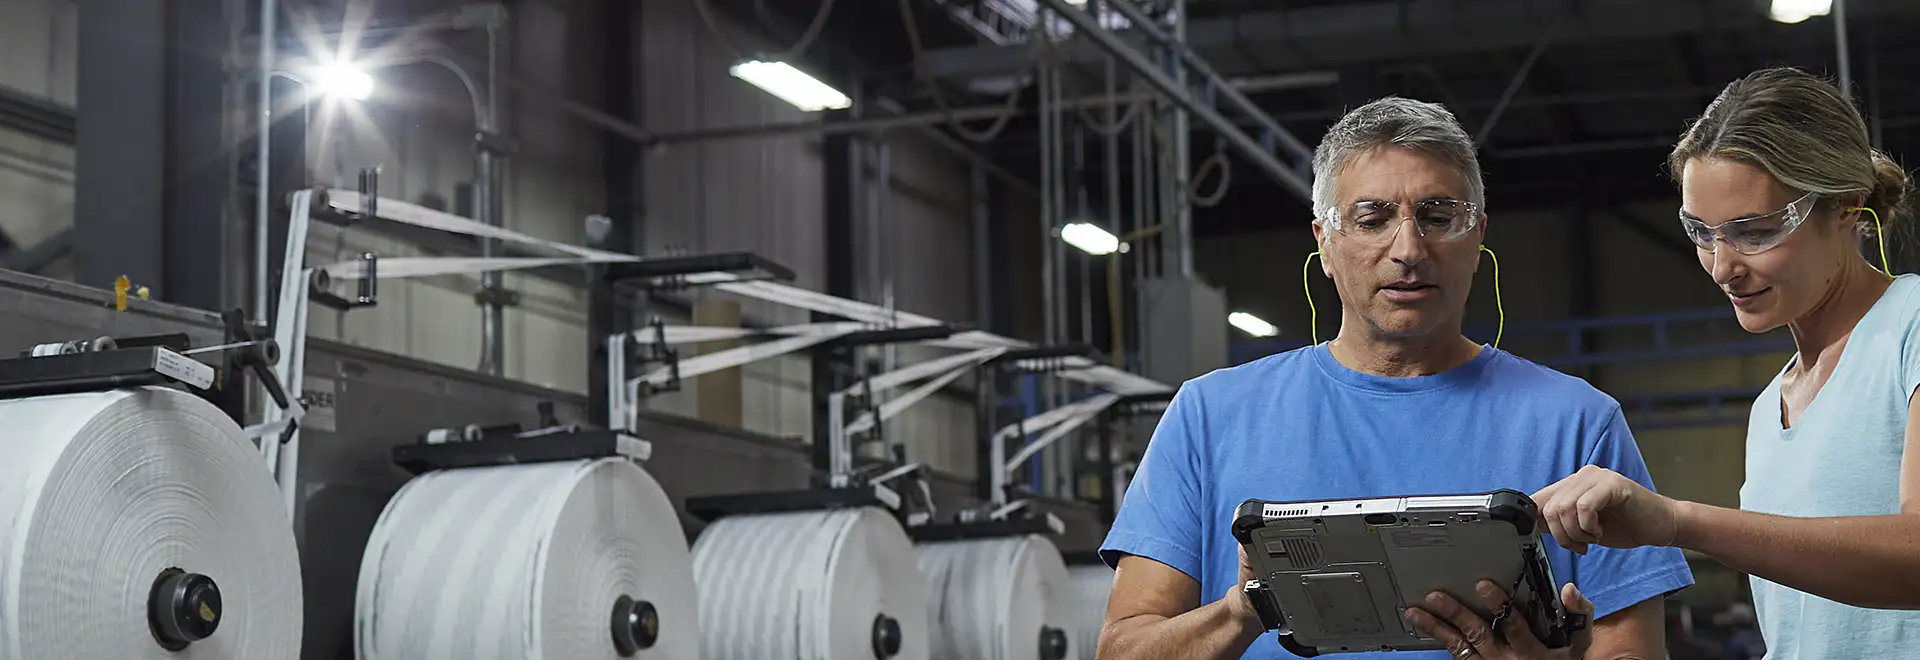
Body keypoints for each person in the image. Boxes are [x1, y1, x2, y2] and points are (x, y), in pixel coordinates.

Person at [1094, 96, 1694, 660]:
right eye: (1372, 218)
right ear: (1324, 243)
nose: (1408, 248)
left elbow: (1632, 647)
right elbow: (1123, 648)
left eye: (1437, 215)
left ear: (1478, 234)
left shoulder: (1578, 424)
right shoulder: (1209, 417)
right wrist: (1244, 609)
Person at [1530, 67, 1920, 659]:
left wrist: (1679, 522)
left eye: (1754, 232)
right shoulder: (1770, 410)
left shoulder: (1910, 327)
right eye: (1701, 233)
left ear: (1845, 205)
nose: (1721, 266)